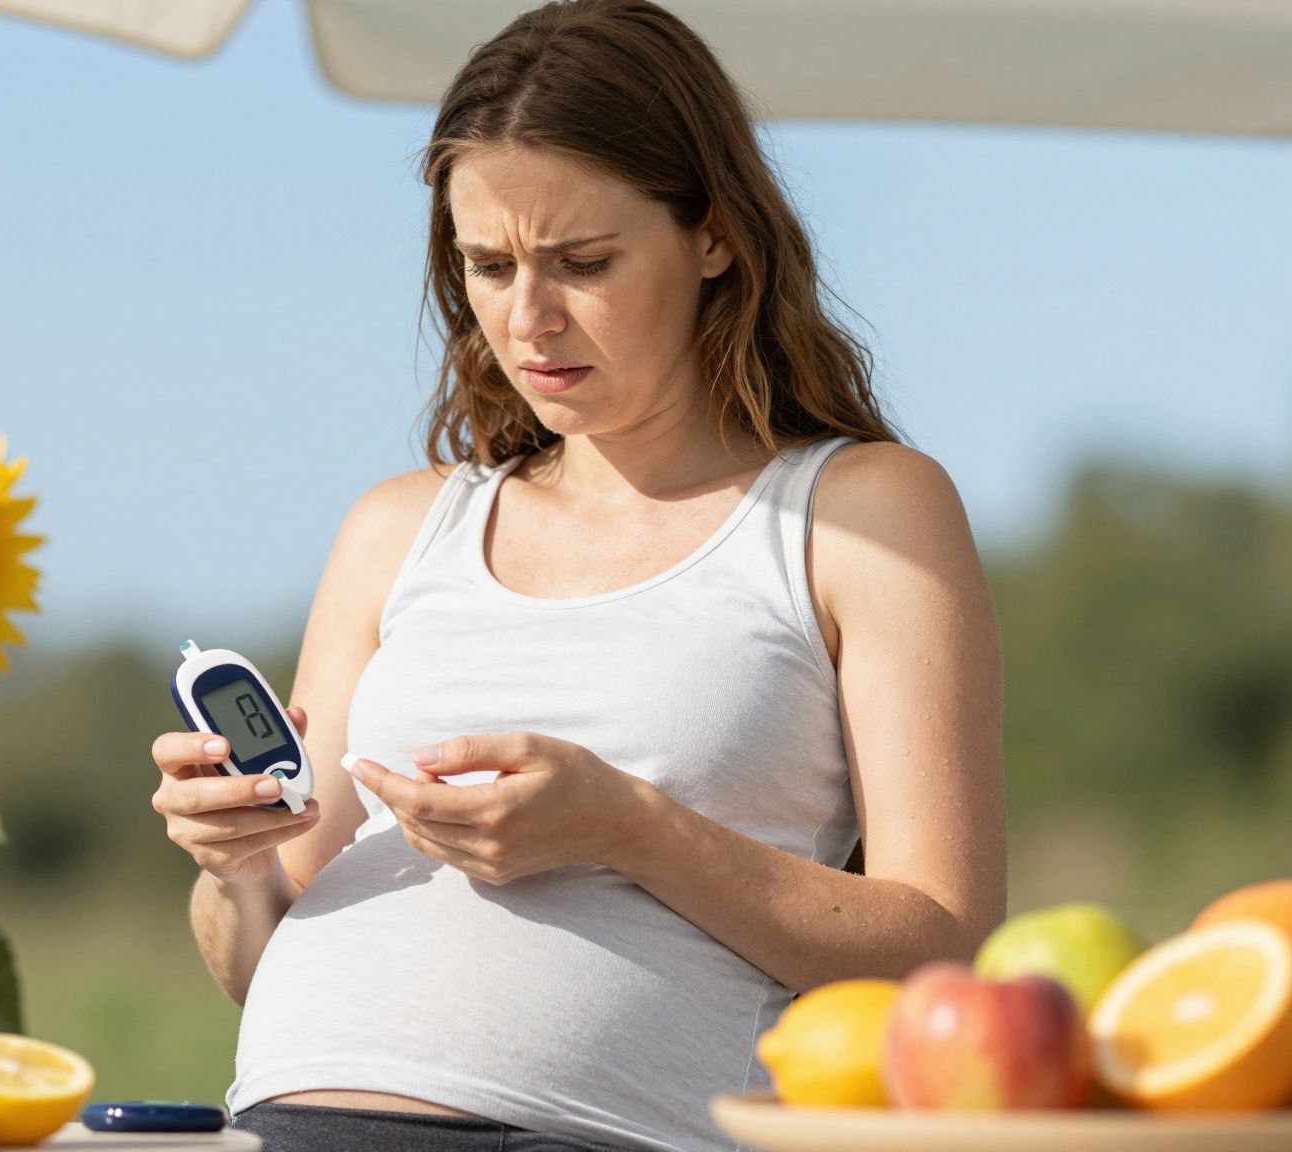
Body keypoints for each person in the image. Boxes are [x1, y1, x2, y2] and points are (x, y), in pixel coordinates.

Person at [149, 1, 1007, 1148]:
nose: (527, 318)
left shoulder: (859, 511)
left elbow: (940, 947)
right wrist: (231, 865)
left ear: (713, 234)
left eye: (583, 262)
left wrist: (625, 825)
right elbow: (257, 960)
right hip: (277, 1121)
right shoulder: (397, 528)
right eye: (488, 266)